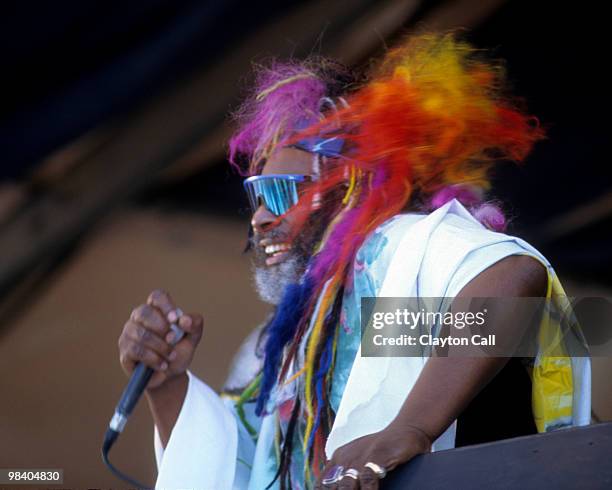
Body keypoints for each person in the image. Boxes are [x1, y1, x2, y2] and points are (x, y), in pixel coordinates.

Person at [117, 33, 591, 489]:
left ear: (350, 188)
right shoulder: (295, 341)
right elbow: (240, 467)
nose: (259, 218)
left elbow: (509, 280)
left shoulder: (398, 256)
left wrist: (413, 428)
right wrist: (168, 384)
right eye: (254, 196)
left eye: (279, 193)